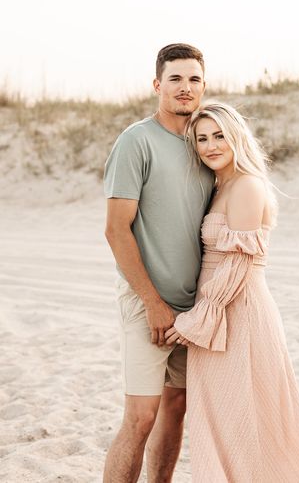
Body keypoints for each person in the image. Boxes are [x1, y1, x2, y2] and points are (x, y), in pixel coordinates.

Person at [165, 102, 299, 482]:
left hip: (238, 313)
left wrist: (196, 320)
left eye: (219, 135)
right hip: (215, 314)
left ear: (236, 136)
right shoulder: (220, 185)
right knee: (222, 416)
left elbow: (237, 264)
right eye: (202, 139)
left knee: (245, 416)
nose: (210, 146)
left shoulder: (248, 185)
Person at [102, 44, 214, 483]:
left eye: (194, 80)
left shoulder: (206, 144)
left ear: (203, 86)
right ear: (157, 85)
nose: (185, 89)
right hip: (147, 302)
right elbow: (116, 230)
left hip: (193, 309)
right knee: (141, 416)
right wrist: (152, 301)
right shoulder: (137, 140)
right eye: (176, 79)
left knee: (176, 409)